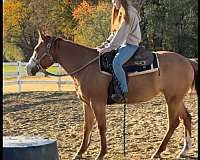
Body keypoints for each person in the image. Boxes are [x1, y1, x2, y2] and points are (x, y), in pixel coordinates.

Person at [98, 0, 141, 103]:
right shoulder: (120, 12)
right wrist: (104, 44)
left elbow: (120, 35)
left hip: (131, 45)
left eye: (114, 1)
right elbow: (115, 33)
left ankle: (123, 92)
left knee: (116, 63)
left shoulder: (128, 14)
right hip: (123, 44)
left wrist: (109, 47)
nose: (113, 3)